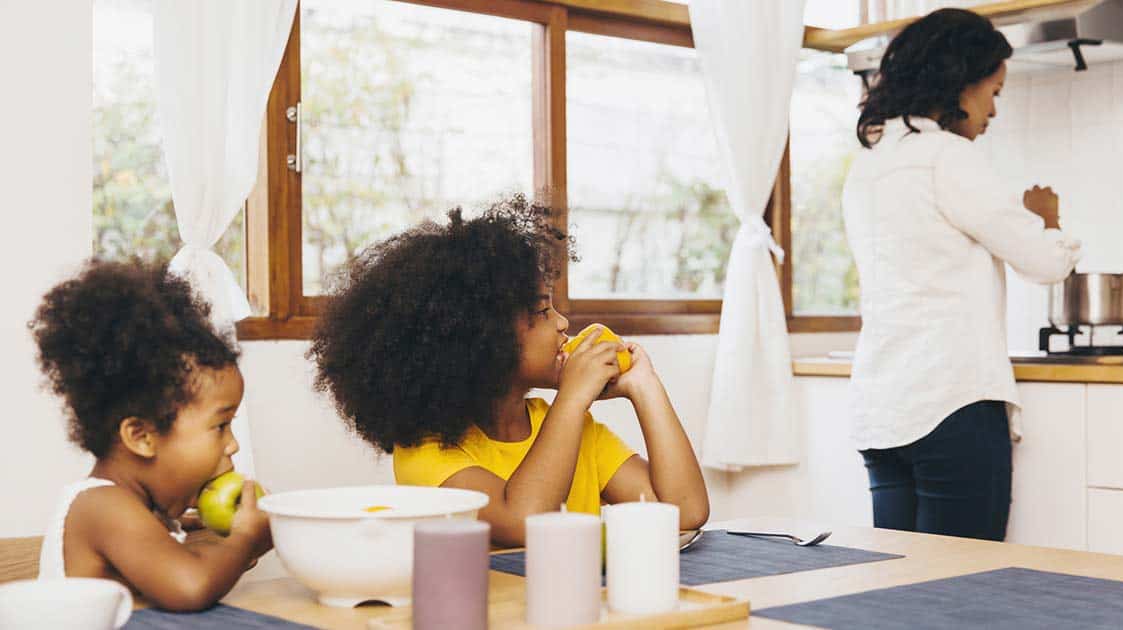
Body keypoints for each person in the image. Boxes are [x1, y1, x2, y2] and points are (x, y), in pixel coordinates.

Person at [307, 194, 710, 547]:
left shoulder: (578, 433)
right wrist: (571, 398)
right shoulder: (427, 455)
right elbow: (524, 522)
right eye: (541, 311)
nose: (562, 323)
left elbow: (684, 514)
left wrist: (645, 386)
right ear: (479, 339)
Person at [842, 8, 1081, 541]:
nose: (994, 109)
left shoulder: (870, 165)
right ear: (960, 83)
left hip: (881, 409)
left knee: (899, 587)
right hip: (952, 404)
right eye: (993, 91)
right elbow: (1044, 263)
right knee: (966, 586)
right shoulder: (949, 157)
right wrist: (1047, 219)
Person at [30, 259, 272, 610]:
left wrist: (233, 540)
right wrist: (245, 539)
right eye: (220, 426)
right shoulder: (101, 507)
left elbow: (189, 563)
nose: (232, 444)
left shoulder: (149, 515)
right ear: (142, 436)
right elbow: (190, 585)